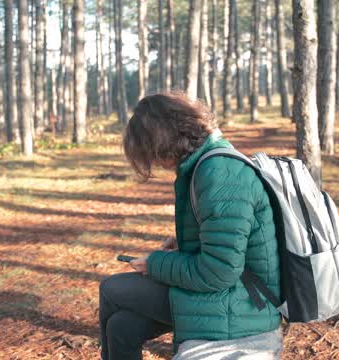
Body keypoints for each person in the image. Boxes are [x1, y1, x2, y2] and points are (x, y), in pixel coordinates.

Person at [98, 93, 282, 360]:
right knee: (122, 327)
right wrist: (184, 242)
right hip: (230, 294)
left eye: (151, 153)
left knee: (111, 290)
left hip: (241, 305)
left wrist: (155, 264)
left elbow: (219, 272)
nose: (156, 163)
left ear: (162, 141)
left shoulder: (220, 174)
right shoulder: (208, 163)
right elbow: (226, 236)